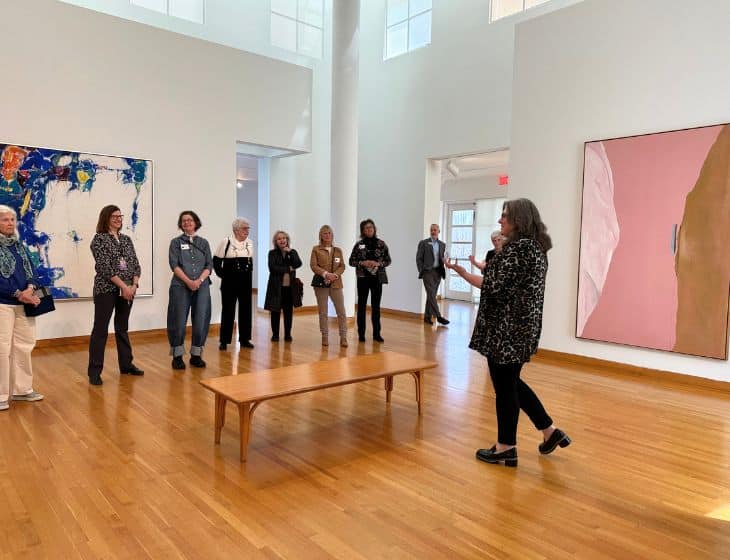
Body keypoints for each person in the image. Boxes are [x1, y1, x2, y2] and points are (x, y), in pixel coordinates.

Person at [446, 198, 570, 467]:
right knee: (512, 383)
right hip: (520, 329)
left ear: (519, 220)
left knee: (505, 388)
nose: (500, 220)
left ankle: (505, 446)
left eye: (505, 216)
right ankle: (549, 432)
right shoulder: (535, 248)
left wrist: (475, 270)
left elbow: (494, 286)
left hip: (507, 331)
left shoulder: (519, 249)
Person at [88, 205, 144, 386]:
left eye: (120, 216)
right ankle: (95, 372)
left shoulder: (126, 239)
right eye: (114, 216)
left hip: (128, 289)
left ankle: (126, 365)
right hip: (107, 289)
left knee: (122, 328)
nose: (118, 219)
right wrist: (123, 286)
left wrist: (133, 285)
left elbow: (135, 264)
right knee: (100, 330)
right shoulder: (99, 240)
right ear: (105, 218)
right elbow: (105, 268)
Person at [0, 205, 44, 408]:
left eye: (12, 219)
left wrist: (30, 287)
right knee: (2, 349)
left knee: (24, 346)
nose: (10, 223)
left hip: (22, 305)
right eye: (5, 220)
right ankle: (1, 396)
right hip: (4, 305)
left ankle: (22, 390)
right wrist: (19, 294)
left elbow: (32, 270)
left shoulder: (18, 246)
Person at [167, 211, 212, 370]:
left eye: (189, 220)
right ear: (181, 224)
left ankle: (196, 355)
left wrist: (198, 281)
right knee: (178, 320)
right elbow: (174, 265)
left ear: (195, 222)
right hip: (180, 286)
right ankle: (177, 356)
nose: (187, 223)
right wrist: (188, 282)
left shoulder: (204, 243)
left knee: (201, 320)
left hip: (202, 286)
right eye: (183, 221)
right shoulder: (175, 243)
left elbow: (209, 266)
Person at [213, 218, 254, 350]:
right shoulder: (226, 242)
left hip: (246, 282)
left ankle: (245, 339)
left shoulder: (250, 243)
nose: (247, 231)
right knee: (228, 311)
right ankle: (224, 341)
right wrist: (224, 276)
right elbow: (216, 262)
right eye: (244, 228)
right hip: (229, 283)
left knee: (246, 311)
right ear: (236, 229)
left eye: (248, 228)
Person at [349, 219, 391, 343]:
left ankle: (377, 334)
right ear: (362, 230)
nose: (369, 230)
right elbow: (351, 261)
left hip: (377, 279)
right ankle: (361, 334)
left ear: (374, 229)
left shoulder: (381, 244)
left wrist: (378, 263)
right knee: (361, 306)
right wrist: (363, 262)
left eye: (371, 227)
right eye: (366, 228)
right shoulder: (358, 245)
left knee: (376, 307)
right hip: (362, 279)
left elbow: (388, 260)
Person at [310, 225, 348, 347]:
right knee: (323, 312)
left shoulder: (338, 250)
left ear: (332, 235)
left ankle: (343, 337)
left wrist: (335, 275)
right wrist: (326, 274)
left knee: (341, 311)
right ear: (321, 235)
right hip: (321, 284)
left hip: (336, 283)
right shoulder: (316, 249)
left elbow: (342, 266)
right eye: (325, 233)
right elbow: (313, 266)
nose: (328, 235)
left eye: (329, 233)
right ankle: (325, 336)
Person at [264, 230, 302, 342]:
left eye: (284, 238)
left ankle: (287, 334)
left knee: (288, 312)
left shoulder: (292, 252)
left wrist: (290, 252)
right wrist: (289, 268)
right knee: (275, 312)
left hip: (289, 288)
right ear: (276, 241)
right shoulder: (272, 253)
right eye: (279, 239)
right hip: (276, 288)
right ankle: (275, 334)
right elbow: (273, 268)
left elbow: (298, 263)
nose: (282, 240)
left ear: (287, 240)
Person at [416, 223, 449, 325]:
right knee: (431, 294)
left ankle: (427, 316)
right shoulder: (424, 243)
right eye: (432, 230)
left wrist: (445, 261)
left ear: (439, 231)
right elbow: (419, 258)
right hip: (427, 272)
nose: (433, 231)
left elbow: (442, 258)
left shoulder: (442, 244)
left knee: (431, 295)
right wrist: (422, 270)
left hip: (438, 272)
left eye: (435, 230)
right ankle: (438, 316)